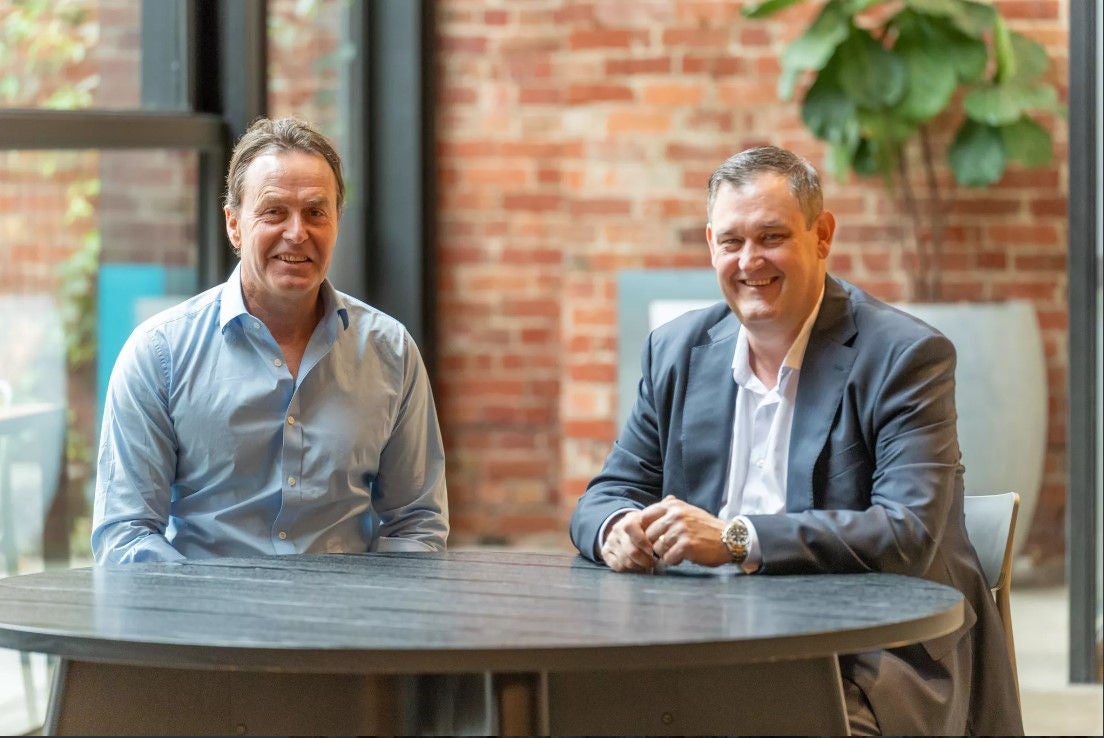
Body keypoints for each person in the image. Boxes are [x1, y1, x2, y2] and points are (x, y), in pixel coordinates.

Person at [569, 146, 1022, 735]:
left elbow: (906, 532)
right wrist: (616, 529)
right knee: (571, 708)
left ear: (822, 234)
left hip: (862, 657)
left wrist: (736, 538)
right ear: (711, 246)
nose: (750, 261)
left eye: (771, 236)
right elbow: (606, 493)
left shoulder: (904, 356)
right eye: (731, 242)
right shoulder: (676, 351)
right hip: (705, 644)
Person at [92, 116, 448, 563]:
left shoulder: (390, 351)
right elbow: (125, 533)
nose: (297, 232)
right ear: (234, 225)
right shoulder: (159, 355)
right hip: (206, 623)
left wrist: (376, 622)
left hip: (344, 624)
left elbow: (415, 523)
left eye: (316, 212)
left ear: (337, 220)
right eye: (274, 211)